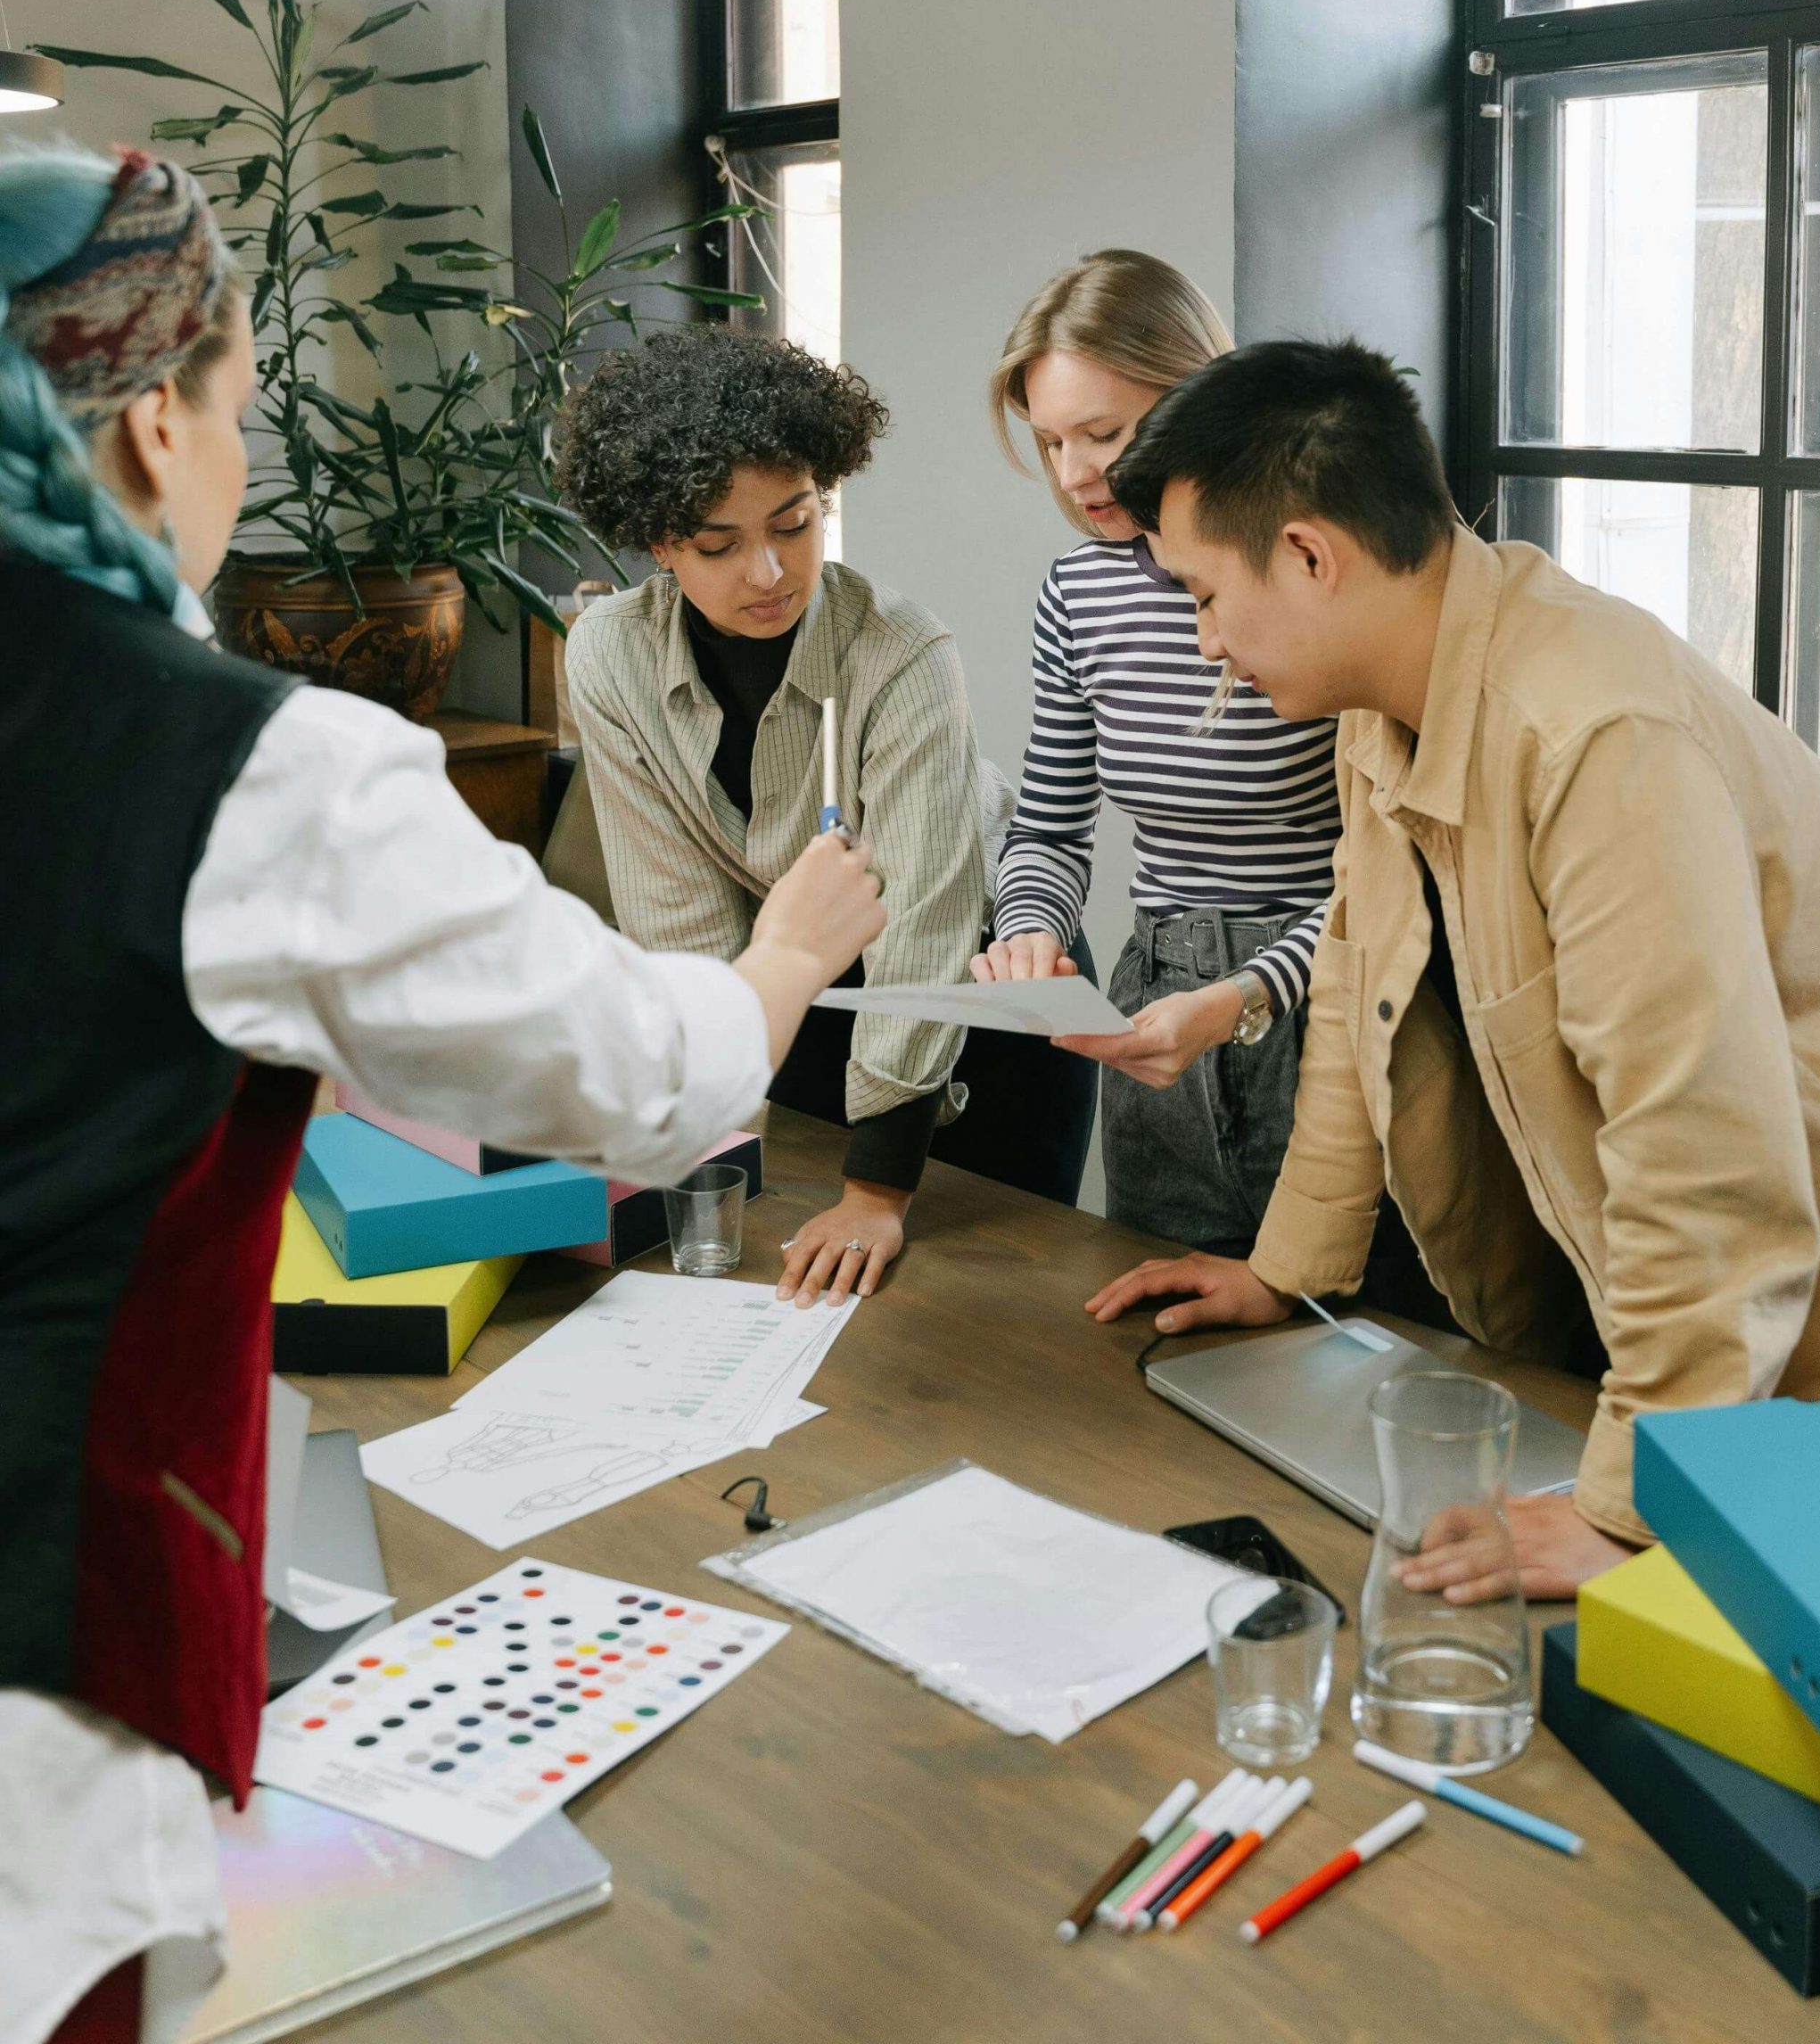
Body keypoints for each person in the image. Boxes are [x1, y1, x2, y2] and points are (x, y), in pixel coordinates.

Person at [0, 144, 885, 2044]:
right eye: (239, 409)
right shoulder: (239, 763)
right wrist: (783, 964)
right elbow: (631, 1075)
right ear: (157, 417)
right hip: (40, 1655)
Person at [1083, 336, 1820, 1600]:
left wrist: (1630, 1506)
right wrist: (1288, 1268)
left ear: (1311, 555)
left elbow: (1700, 1154)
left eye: (1204, 595)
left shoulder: (1592, 731)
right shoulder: (1385, 705)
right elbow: (1356, 987)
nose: (1204, 642)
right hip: (1758, 1334)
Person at [558, 327, 1093, 1307]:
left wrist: (877, 1189)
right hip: (799, 995)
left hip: (966, 997)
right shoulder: (608, 657)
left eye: (794, 523)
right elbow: (676, 920)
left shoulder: (902, 652)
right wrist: (710, 1127)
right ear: (660, 540)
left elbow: (925, 929)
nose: (767, 571)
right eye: (719, 543)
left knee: (979, 1322)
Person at [972, 251, 1357, 1264]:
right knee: (1155, 1340)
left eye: (1103, 433)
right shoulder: (1078, 593)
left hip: (1328, 1004)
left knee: (1347, 1346)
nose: (1073, 474)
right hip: (1157, 1013)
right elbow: (1049, 829)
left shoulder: (1316, 561)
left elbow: (1397, 872)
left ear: (1198, 391)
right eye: (1050, 441)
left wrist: (1250, 993)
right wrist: (1028, 930)